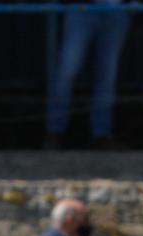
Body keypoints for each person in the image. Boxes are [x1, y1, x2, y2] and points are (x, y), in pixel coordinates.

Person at [46, 0, 131, 149]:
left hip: (117, 9)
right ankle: (54, 131)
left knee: (107, 75)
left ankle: (101, 134)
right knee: (67, 69)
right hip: (81, 8)